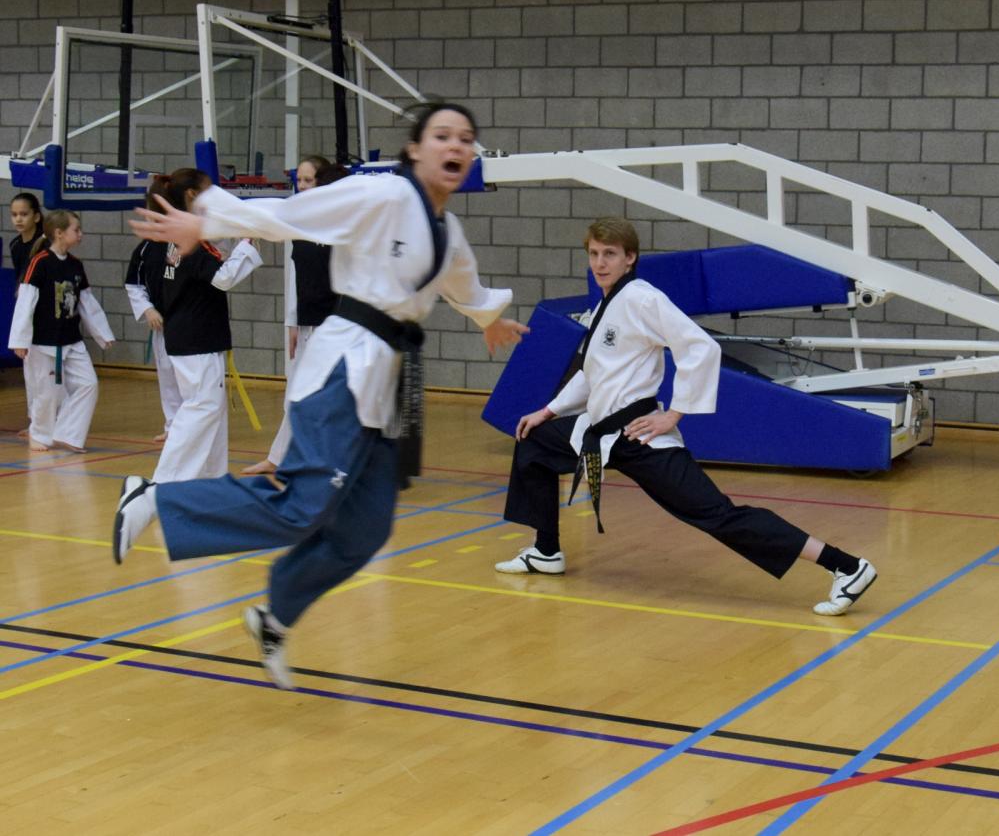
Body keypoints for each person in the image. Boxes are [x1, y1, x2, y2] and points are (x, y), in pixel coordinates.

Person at [113, 102, 528, 689]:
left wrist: (489, 318)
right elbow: (291, 214)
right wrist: (208, 219)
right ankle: (155, 500)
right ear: (415, 150)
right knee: (306, 505)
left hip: (385, 384)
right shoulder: (382, 195)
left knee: (365, 529)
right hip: (342, 364)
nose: (455, 145)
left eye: (465, 137)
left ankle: (274, 617)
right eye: (442, 135)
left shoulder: (447, 230)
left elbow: (464, 285)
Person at [494, 217, 877, 616]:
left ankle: (846, 566)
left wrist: (674, 414)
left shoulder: (642, 298)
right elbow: (594, 375)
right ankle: (546, 550)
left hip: (640, 436)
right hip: (601, 431)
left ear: (630, 258)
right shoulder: (606, 303)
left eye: (610, 254)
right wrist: (547, 411)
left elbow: (701, 348)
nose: (600, 263)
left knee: (718, 515)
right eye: (594, 254)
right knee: (533, 440)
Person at [150, 168, 264, 482]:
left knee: (210, 409)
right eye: (209, 190)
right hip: (195, 338)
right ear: (192, 196)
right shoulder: (191, 242)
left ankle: (212, 479)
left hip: (190, 336)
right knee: (202, 407)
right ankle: (164, 481)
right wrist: (248, 242)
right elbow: (223, 278)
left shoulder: (181, 240)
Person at [242, 157, 345, 476]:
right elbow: (295, 280)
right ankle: (278, 457)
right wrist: (292, 323)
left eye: (308, 180)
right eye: (298, 180)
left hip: (338, 326)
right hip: (308, 323)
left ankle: (339, 463)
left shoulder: (342, 229)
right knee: (296, 396)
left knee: (336, 400)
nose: (301, 187)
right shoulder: (297, 226)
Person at [7, 209, 114, 452]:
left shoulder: (76, 265)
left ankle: (68, 434)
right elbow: (26, 301)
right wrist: (20, 340)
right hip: (43, 342)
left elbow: (86, 301)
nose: (80, 234)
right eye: (76, 230)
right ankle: (40, 434)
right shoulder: (40, 262)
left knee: (89, 384)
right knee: (47, 394)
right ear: (58, 233)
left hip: (71, 339)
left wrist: (102, 333)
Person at [123, 178, 181, 443]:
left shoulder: (185, 242)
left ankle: (189, 427)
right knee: (168, 378)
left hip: (187, 321)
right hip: (163, 325)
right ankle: (172, 426)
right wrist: (147, 310)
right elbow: (133, 284)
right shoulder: (145, 248)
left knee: (187, 379)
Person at [9, 193, 45, 438]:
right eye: (14, 215)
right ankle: (35, 419)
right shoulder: (14, 245)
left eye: (24, 214)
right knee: (29, 367)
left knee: (46, 369)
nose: (18, 219)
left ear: (36, 216)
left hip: (46, 309)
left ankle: (49, 419)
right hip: (27, 307)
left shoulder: (44, 242)